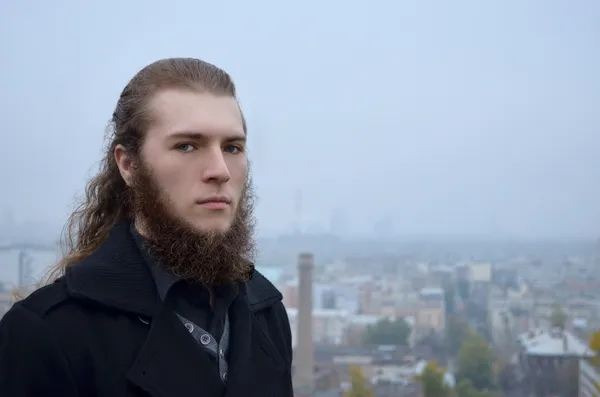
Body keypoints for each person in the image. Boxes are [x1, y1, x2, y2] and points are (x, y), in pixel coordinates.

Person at [0, 58, 293, 397]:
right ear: (128, 164)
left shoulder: (265, 311)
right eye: (187, 145)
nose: (220, 170)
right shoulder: (48, 333)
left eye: (232, 147)